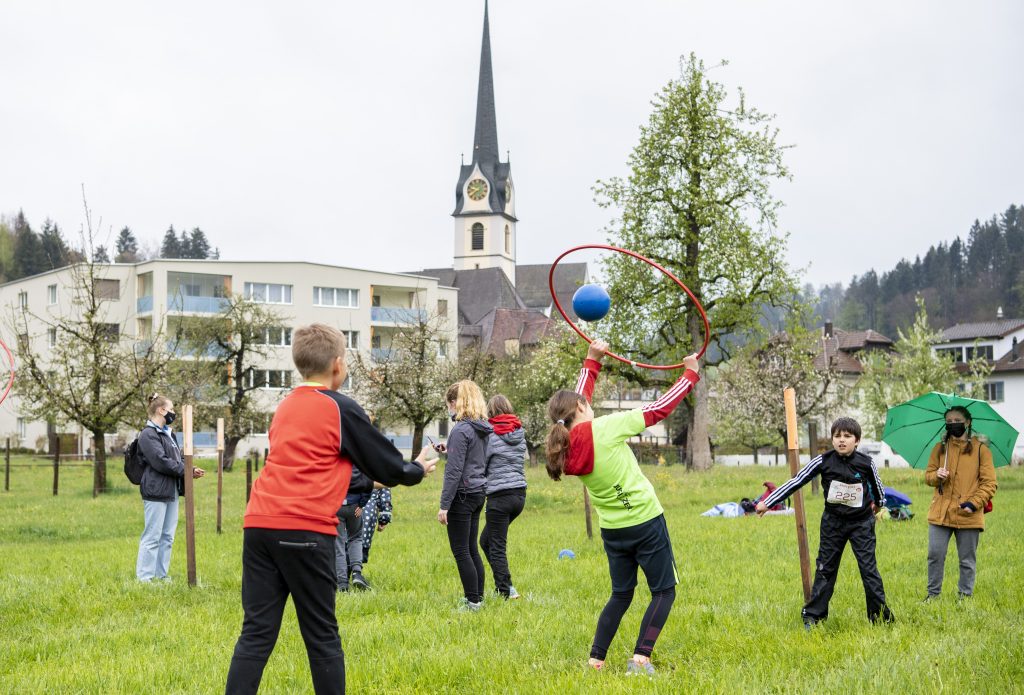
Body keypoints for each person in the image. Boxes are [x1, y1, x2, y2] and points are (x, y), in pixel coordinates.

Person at [225, 324, 438, 695]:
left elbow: (325, 469)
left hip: (258, 523)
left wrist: (375, 479)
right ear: (338, 365)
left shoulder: (285, 406)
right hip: (305, 531)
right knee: (321, 635)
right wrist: (416, 469)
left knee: (256, 633)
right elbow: (386, 465)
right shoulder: (340, 408)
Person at [545, 340, 699, 676]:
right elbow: (658, 409)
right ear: (583, 409)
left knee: (621, 594)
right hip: (645, 521)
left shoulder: (566, 447)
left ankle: (595, 661)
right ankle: (640, 660)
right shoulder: (606, 429)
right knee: (664, 591)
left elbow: (575, 406)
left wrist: (592, 361)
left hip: (613, 531)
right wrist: (689, 375)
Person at [756, 416, 894, 628]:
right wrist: (769, 501)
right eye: (837, 436)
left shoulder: (866, 463)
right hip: (833, 523)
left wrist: (878, 504)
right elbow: (797, 480)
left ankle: (880, 618)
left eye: (847, 436)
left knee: (869, 570)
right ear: (832, 440)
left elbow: (879, 491)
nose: (842, 440)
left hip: (861, 524)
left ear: (856, 441)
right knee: (825, 569)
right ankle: (813, 616)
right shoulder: (823, 461)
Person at [923, 405, 997, 601]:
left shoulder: (982, 451)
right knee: (935, 556)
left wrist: (973, 504)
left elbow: (990, 484)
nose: (953, 424)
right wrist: (936, 476)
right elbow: (928, 476)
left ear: (968, 422)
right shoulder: (940, 449)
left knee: (967, 560)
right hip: (940, 512)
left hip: (968, 513)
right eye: (949, 421)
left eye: (957, 421)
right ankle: (933, 596)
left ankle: (964, 597)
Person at [136, 394, 205, 582]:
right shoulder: (148, 435)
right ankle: (145, 578)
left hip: (172, 490)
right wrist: (186, 470)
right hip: (156, 491)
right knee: (152, 535)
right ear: (161, 410)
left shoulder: (169, 433)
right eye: (171, 409)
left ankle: (161, 576)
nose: (173, 413)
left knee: (167, 536)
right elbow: (161, 462)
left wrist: (191, 469)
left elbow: (177, 459)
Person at [437, 380, 492, 611]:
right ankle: (477, 597)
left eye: (449, 404)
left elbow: (454, 470)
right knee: (471, 548)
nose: (448, 408)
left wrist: (444, 505)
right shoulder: (481, 428)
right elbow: (473, 458)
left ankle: (472, 602)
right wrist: (449, 450)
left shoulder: (460, 429)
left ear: (455, 402)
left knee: (461, 550)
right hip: (479, 491)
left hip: (462, 494)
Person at [479, 394, 528, 600]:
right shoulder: (519, 432)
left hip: (499, 496)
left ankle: (505, 591)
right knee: (486, 541)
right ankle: (507, 585)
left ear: (490, 412)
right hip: (519, 495)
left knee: (496, 545)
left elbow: (482, 463)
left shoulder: (490, 434)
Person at [334, 469, 374, 592]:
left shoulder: (334, 458)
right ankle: (357, 573)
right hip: (354, 505)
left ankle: (342, 583)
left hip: (336, 505)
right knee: (356, 538)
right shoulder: (357, 458)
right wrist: (362, 503)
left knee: (338, 543)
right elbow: (368, 482)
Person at [361, 487, 393, 564]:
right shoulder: (380, 475)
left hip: (343, 506)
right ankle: (356, 572)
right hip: (368, 511)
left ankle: (344, 573)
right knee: (361, 545)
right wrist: (384, 519)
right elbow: (385, 492)